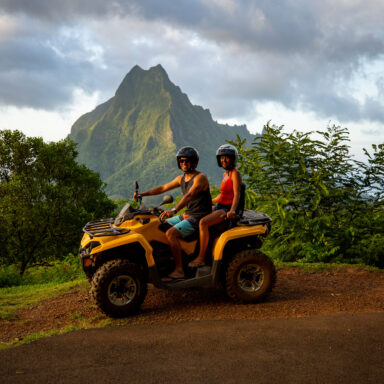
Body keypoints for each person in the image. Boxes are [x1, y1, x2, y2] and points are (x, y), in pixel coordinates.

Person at [133, 146, 211, 281]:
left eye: (187, 161)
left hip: (199, 216)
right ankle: (165, 262)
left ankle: (179, 270)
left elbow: (189, 196)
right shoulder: (181, 178)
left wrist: (174, 210)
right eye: (181, 161)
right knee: (159, 224)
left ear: (194, 162)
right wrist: (142, 194)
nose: (184, 164)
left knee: (171, 233)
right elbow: (163, 188)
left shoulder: (200, 178)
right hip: (188, 214)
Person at [188, 144, 242, 268]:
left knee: (203, 222)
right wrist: (208, 201)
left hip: (226, 208)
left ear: (233, 158)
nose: (224, 160)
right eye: (222, 158)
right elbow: (223, 195)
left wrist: (232, 210)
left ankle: (201, 258)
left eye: (227, 157)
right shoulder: (225, 174)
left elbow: (237, 193)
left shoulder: (235, 173)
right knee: (198, 212)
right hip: (220, 205)